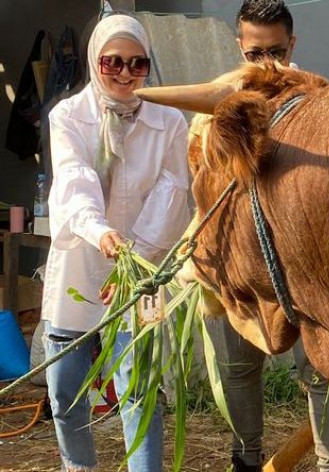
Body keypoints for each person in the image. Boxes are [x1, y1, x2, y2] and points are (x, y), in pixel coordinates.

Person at [41, 13, 191, 472]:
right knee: (65, 387)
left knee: (140, 387)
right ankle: (79, 466)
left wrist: (136, 256)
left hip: (138, 271)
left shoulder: (170, 122)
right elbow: (74, 178)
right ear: (94, 62)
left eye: (137, 63)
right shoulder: (68, 116)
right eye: (113, 62)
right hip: (80, 262)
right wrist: (100, 232)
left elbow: (173, 194)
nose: (125, 74)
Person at [203, 2, 329, 472]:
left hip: (308, 261)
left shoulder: (322, 103)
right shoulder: (214, 110)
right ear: (238, 47)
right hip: (241, 256)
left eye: (278, 52)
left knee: (323, 368)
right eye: (255, 52)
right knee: (239, 365)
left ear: (294, 45)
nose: (267, 64)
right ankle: (245, 456)